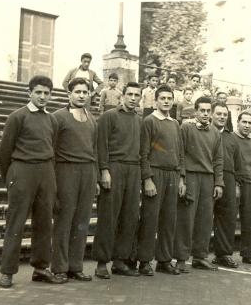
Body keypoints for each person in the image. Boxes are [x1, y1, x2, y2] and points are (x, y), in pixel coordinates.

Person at [0, 75, 64, 288]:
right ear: (29, 93)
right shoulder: (18, 117)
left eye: (46, 93)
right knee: (15, 223)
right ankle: (7, 272)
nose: (42, 96)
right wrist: (10, 178)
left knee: (44, 222)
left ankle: (41, 268)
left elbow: (51, 148)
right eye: (38, 92)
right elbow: (4, 151)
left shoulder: (52, 120)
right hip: (21, 171)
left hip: (45, 171)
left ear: (51, 95)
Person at [92, 81, 143, 279]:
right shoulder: (109, 116)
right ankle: (102, 262)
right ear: (122, 96)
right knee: (108, 217)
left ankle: (120, 261)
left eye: (136, 95)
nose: (132, 98)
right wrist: (104, 170)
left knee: (130, 217)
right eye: (129, 94)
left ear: (140, 98)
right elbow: (101, 145)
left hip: (134, 170)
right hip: (114, 167)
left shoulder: (140, 120)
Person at [51, 78, 98, 282]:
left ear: (89, 95)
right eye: (77, 91)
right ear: (69, 94)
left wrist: (95, 177)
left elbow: (94, 150)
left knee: (82, 220)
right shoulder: (58, 118)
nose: (81, 95)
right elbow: (50, 150)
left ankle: (75, 266)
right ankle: (59, 267)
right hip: (65, 170)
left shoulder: (92, 119)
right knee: (64, 219)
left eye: (84, 92)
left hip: (87, 172)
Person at [136, 85, 185, 276]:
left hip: (172, 175)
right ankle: (145, 261)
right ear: (155, 100)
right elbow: (144, 152)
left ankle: (164, 260)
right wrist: (147, 179)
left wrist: (182, 178)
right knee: (150, 219)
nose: (166, 101)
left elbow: (180, 153)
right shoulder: (149, 121)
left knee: (169, 220)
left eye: (169, 98)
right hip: (155, 175)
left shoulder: (175, 124)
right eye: (162, 98)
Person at [173, 96, 224, 272]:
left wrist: (218, 183)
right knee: (186, 219)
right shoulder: (186, 127)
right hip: (191, 177)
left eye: (208, 111)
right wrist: (182, 179)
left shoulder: (215, 132)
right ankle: (181, 257)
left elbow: (218, 159)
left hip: (208, 179)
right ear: (195, 111)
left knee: (204, 220)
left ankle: (200, 257)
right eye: (201, 110)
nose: (205, 114)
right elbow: (180, 153)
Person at [211, 102, 242, 268]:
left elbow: (238, 163)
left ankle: (223, 254)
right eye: (219, 114)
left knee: (227, 217)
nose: (222, 117)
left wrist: (236, 184)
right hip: (208, 177)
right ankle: (197, 254)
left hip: (228, 178)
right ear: (211, 114)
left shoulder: (232, 138)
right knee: (202, 217)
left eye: (225, 114)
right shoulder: (205, 132)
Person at [233, 112, 251, 264]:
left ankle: (248, 253)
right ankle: (224, 254)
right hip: (234, 182)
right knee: (229, 219)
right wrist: (235, 183)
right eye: (244, 122)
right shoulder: (231, 138)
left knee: (249, 219)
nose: (247, 125)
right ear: (238, 122)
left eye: (250, 123)